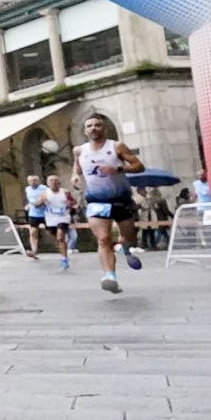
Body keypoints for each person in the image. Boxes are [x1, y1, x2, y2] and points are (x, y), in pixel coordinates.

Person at [73, 111, 146, 293]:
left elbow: (139, 166)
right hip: (96, 200)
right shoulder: (79, 150)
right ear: (85, 130)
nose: (93, 128)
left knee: (128, 236)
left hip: (120, 198)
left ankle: (125, 248)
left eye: (97, 125)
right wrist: (75, 175)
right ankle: (110, 276)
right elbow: (77, 166)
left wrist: (118, 168)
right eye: (89, 126)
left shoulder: (117, 147)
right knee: (104, 239)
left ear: (103, 128)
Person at [40, 178, 75, 268]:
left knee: (60, 236)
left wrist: (70, 203)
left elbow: (74, 201)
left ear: (59, 183)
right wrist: (40, 202)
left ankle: (64, 259)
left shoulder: (65, 192)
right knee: (58, 239)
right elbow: (37, 204)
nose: (54, 183)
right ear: (48, 183)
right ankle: (64, 252)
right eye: (51, 181)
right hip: (51, 219)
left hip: (63, 217)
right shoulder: (45, 193)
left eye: (55, 181)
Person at [19, 175, 47, 260]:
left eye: (34, 180)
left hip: (45, 213)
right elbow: (31, 199)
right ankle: (34, 251)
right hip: (33, 214)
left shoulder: (44, 188)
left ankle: (63, 247)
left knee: (52, 232)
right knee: (33, 232)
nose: (32, 182)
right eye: (30, 181)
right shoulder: (27, 189)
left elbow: (46, 198)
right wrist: (29, 205)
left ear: (38, 181)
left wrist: (39, 203)